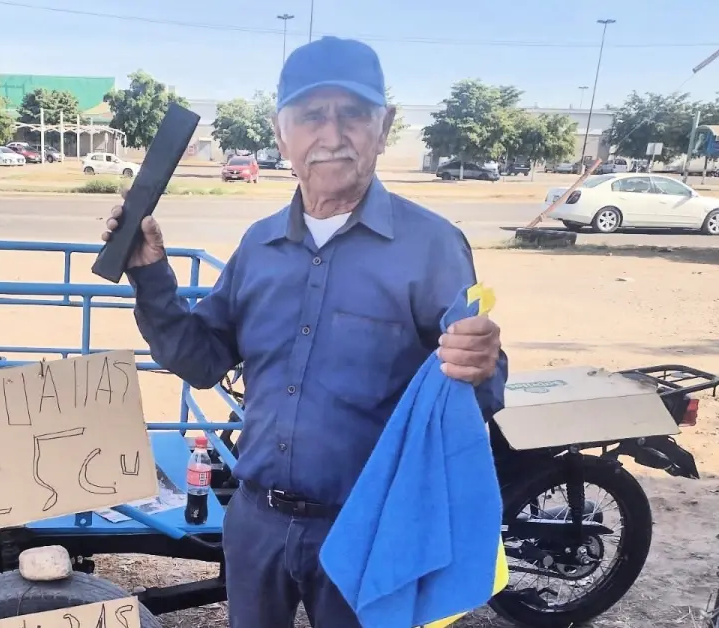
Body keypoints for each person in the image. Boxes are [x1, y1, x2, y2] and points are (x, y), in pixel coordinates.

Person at [101, 36, 507, 628]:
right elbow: (202, 359)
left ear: (385, 126)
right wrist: (150, 275)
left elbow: (473, 393)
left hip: (367, 528)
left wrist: (483, 364)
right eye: (312, 115)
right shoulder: (259, 248)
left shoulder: (432, 248)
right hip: (256, 523)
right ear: (281, 131)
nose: (332, 134)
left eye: (354, 114)